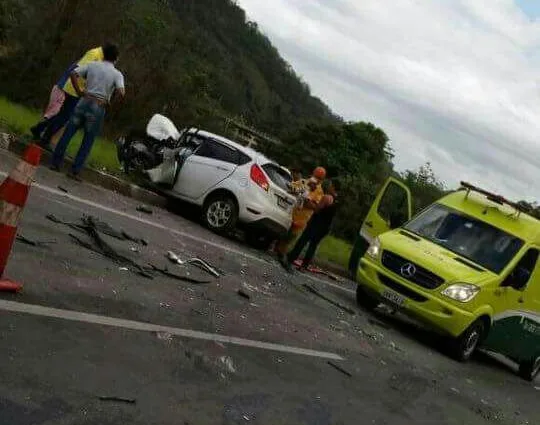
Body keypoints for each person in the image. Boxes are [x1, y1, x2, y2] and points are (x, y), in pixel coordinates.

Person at [50, 43, 125, 180]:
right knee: (88, 140)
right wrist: (110, 104)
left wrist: (79, 91)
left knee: (68, 133)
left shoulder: (93, 65)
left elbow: (73, 73)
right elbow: (121, 92)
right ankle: (75, 171)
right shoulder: (117, 74)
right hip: (98, 106)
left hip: (83, 101)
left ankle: (55, 163)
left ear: (104, 54)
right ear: (116, 58)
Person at [37, 45, 106, 149]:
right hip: (73, 89)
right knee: (63, 116)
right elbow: (76, 71)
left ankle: (41, 132)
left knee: (62, 116)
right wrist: (80, 89)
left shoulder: (100, 58)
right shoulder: (95, 54)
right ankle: (44, 137)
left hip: (76, 89)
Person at [281, 179, 340, 273]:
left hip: (316, 223)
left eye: (330, 185)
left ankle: (290, 259)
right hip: (325, 227)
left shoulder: (326, 197)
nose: (329, 186)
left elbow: (317, 209)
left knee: (303, 241)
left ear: (333, 187)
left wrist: (310, 201)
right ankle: (304, 266)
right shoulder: (337, 199)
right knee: (313, 246)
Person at [275, 166, 326, 260]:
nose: (316, 179)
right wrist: (302, 189)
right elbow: (290, 187)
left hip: (301, 220)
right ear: (312, 174)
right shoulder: (304, 182)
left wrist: (307, 198)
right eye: (316, 176)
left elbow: (314, 206)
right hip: (290, 214)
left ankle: (281, 254)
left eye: (319, 178)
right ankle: (277, 251)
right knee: (283, 234)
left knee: (290, 238)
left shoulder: (319, 192)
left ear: (322, 180)